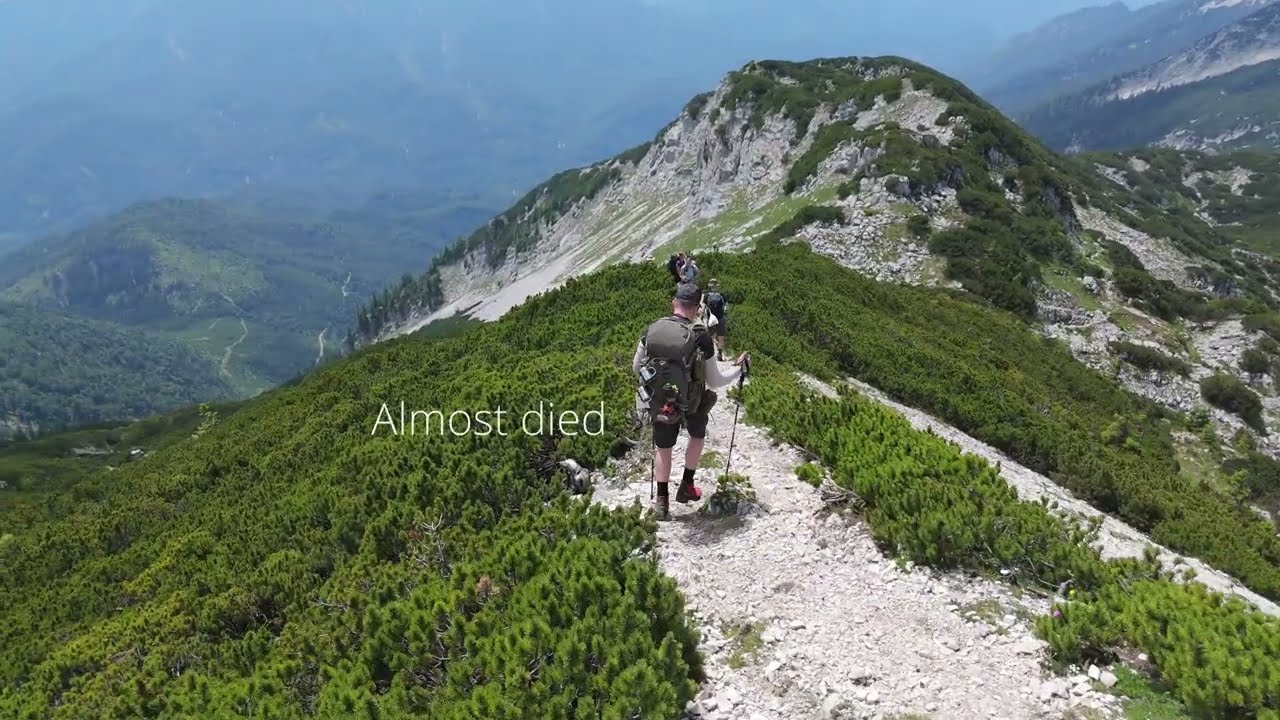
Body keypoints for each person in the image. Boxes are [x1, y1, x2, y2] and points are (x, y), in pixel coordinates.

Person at [633, 282, 750, 520]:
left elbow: (637, 368)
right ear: (697, 308)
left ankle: (662, 502)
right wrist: (738, 370)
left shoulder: (651, 330)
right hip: (693, 402)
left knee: (663, 447)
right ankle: (687, 485)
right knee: (697, 436)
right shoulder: (702, 338)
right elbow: (715, 381)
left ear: (674, 303)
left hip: (662, 401)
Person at [704, 278, 728, 361]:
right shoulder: (722, 294)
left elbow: (704, 306)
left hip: (711, 318)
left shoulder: (707, 295)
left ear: (710, 286)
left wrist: (702, 316)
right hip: (720, 317)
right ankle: (720, 353)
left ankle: (712, 352)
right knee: (721, 336)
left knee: (711, 336)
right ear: (717, 286)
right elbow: (725, 305)